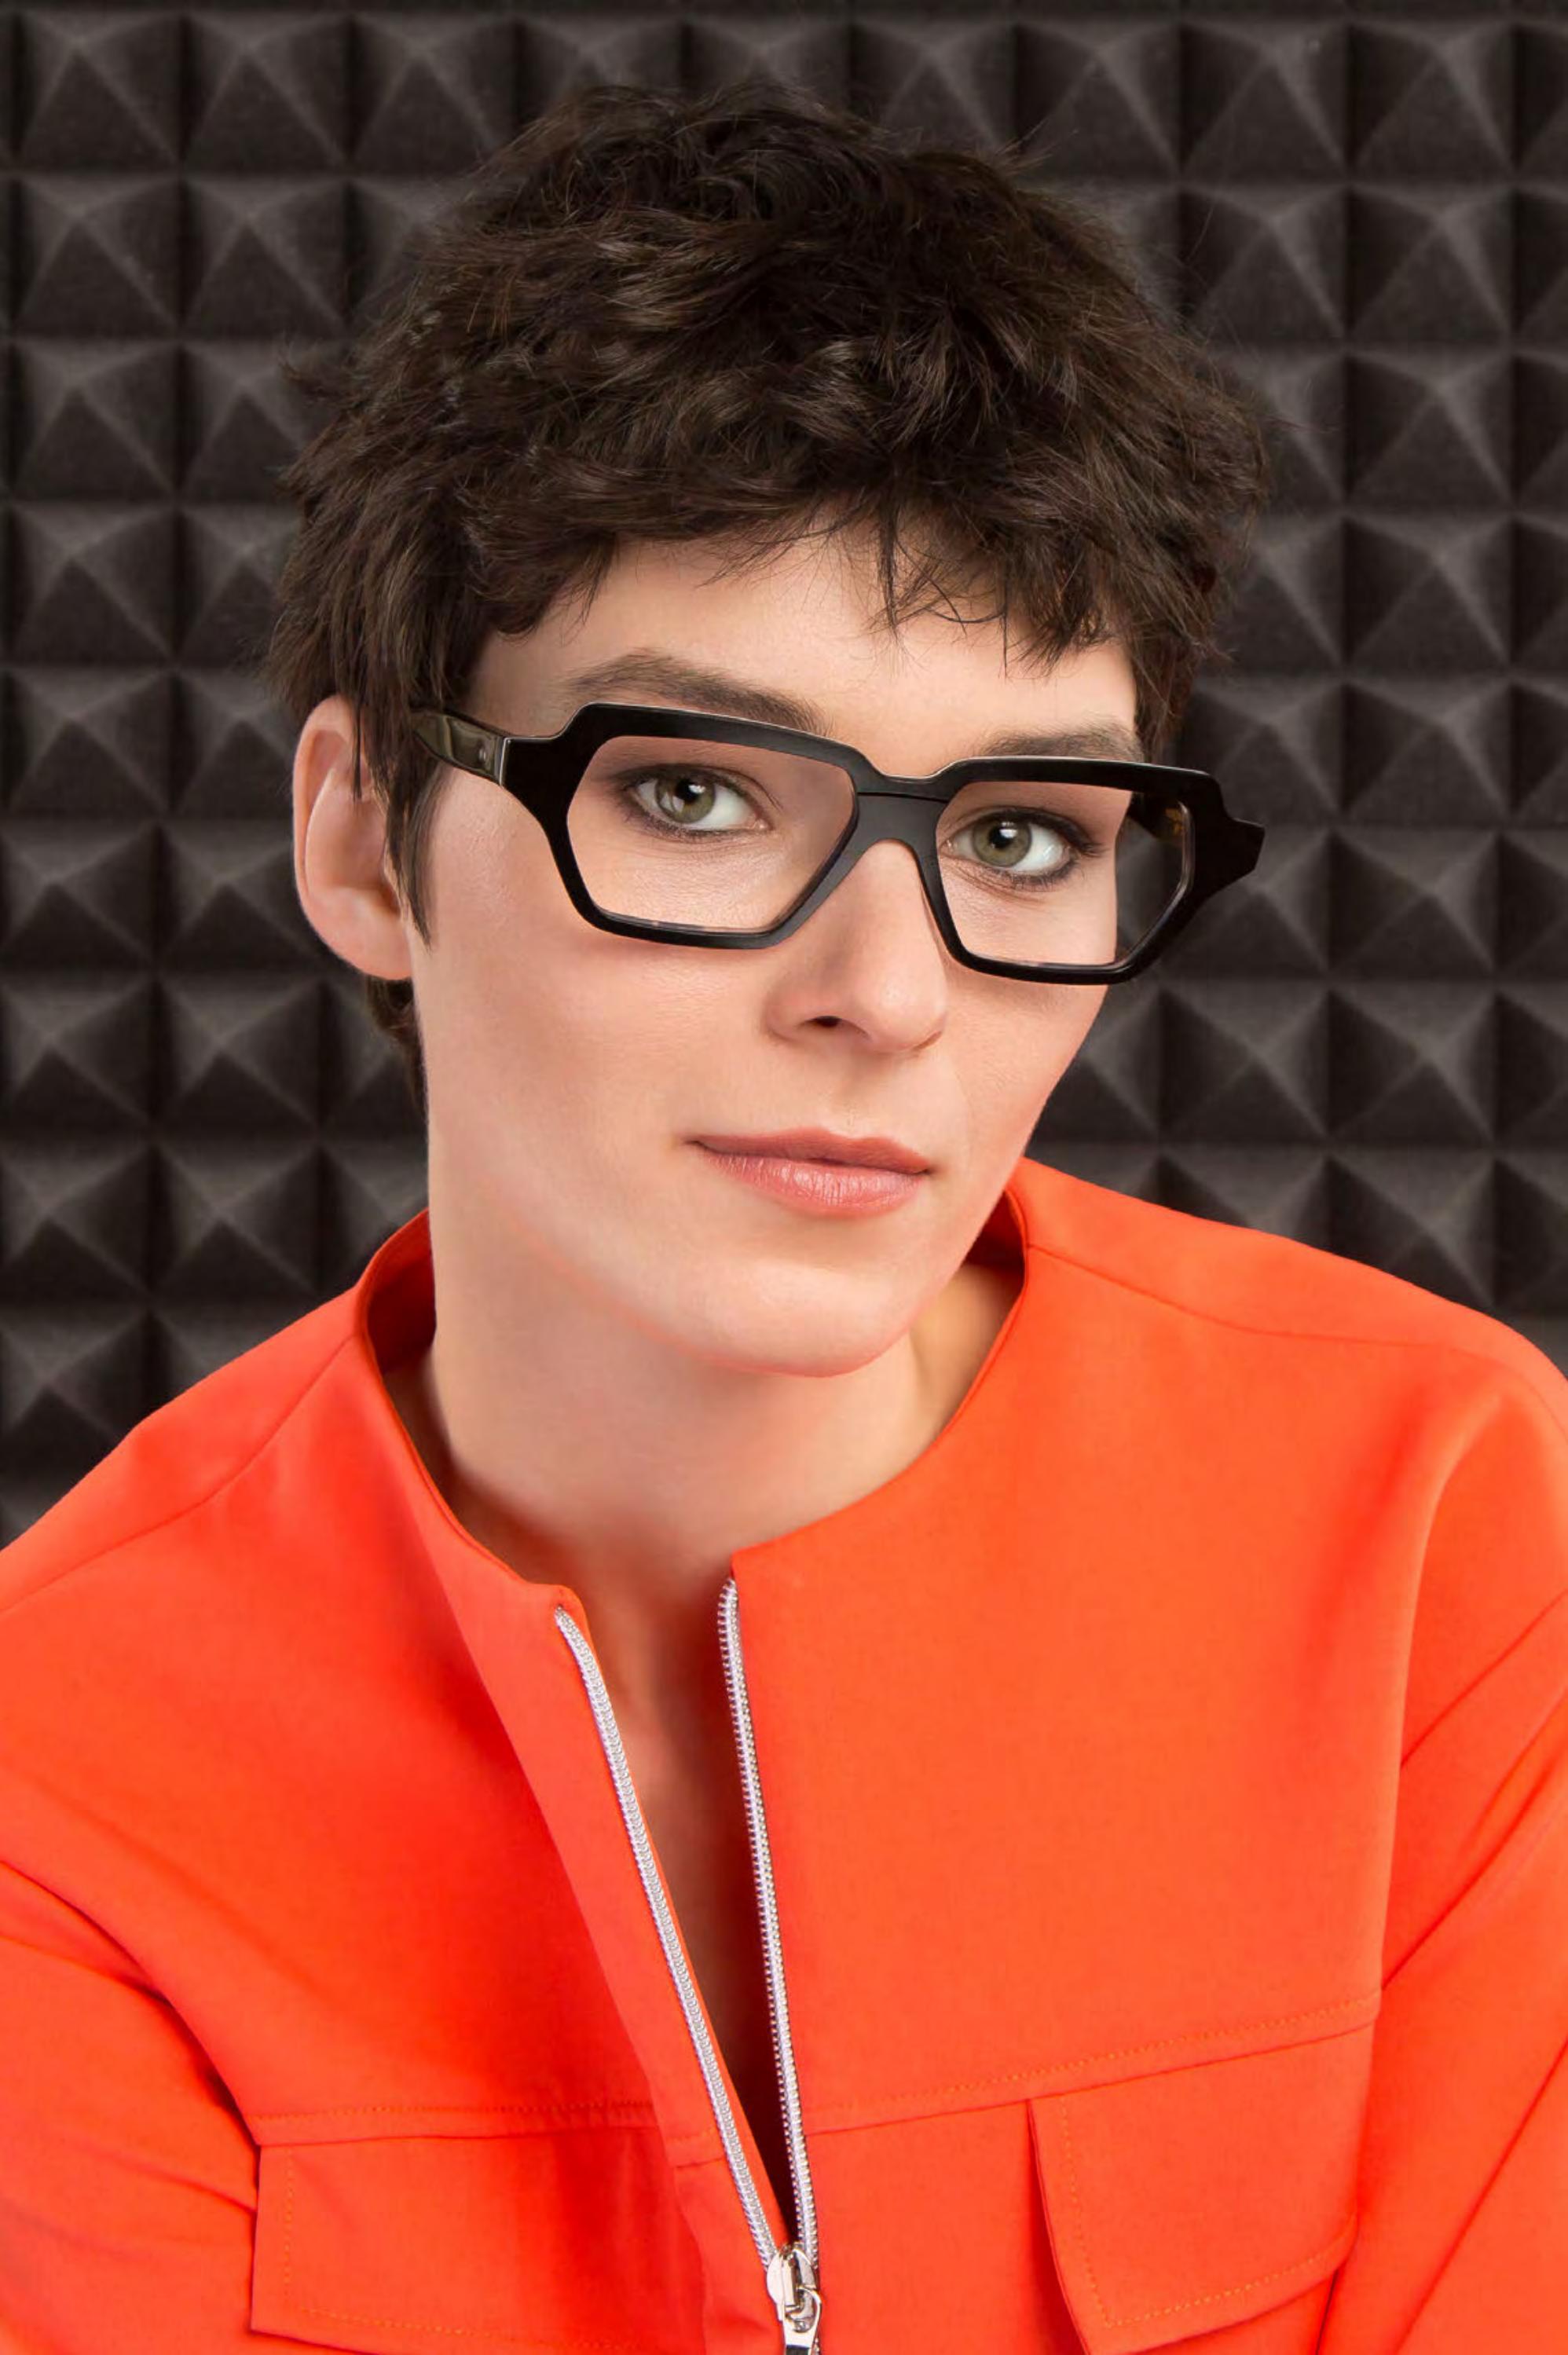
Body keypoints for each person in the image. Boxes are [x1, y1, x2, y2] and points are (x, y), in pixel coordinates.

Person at [0, 77, 1563, 2355]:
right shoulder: (58, 1767)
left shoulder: (1441, 1517)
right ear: (359, 841)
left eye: (1019, 836)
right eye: (698, 795)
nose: (886, 994)